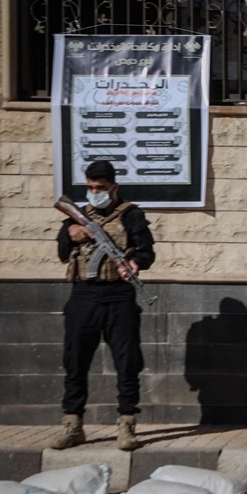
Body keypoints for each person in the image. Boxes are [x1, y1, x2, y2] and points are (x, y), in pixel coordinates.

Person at [52, 160, 156, 451]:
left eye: (101, 187)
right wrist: (71, 234)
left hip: (119, 296)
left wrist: (134, 263)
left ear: (114, 187)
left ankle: (126, 423)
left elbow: (147, 252)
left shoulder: (131, 215)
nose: (95, 192)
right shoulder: (77, 216)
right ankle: (73, 424)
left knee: (127, 362)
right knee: (75, 360)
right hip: (84, 295)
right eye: (91, 187)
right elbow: (62, 253)